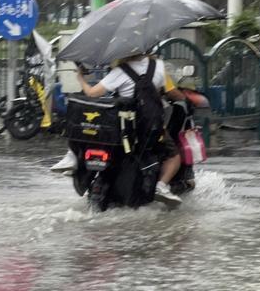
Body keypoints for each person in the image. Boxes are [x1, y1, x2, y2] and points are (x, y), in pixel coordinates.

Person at [53, 54, 185, 206]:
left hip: (124, 128)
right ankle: (161, 186)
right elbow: (171, 92)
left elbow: (92, 93)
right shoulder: (159, 66)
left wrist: (81, 78)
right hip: (149, 127)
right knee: (173, 156)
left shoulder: (120, 71)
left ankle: (74, 157)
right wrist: (184, 97)